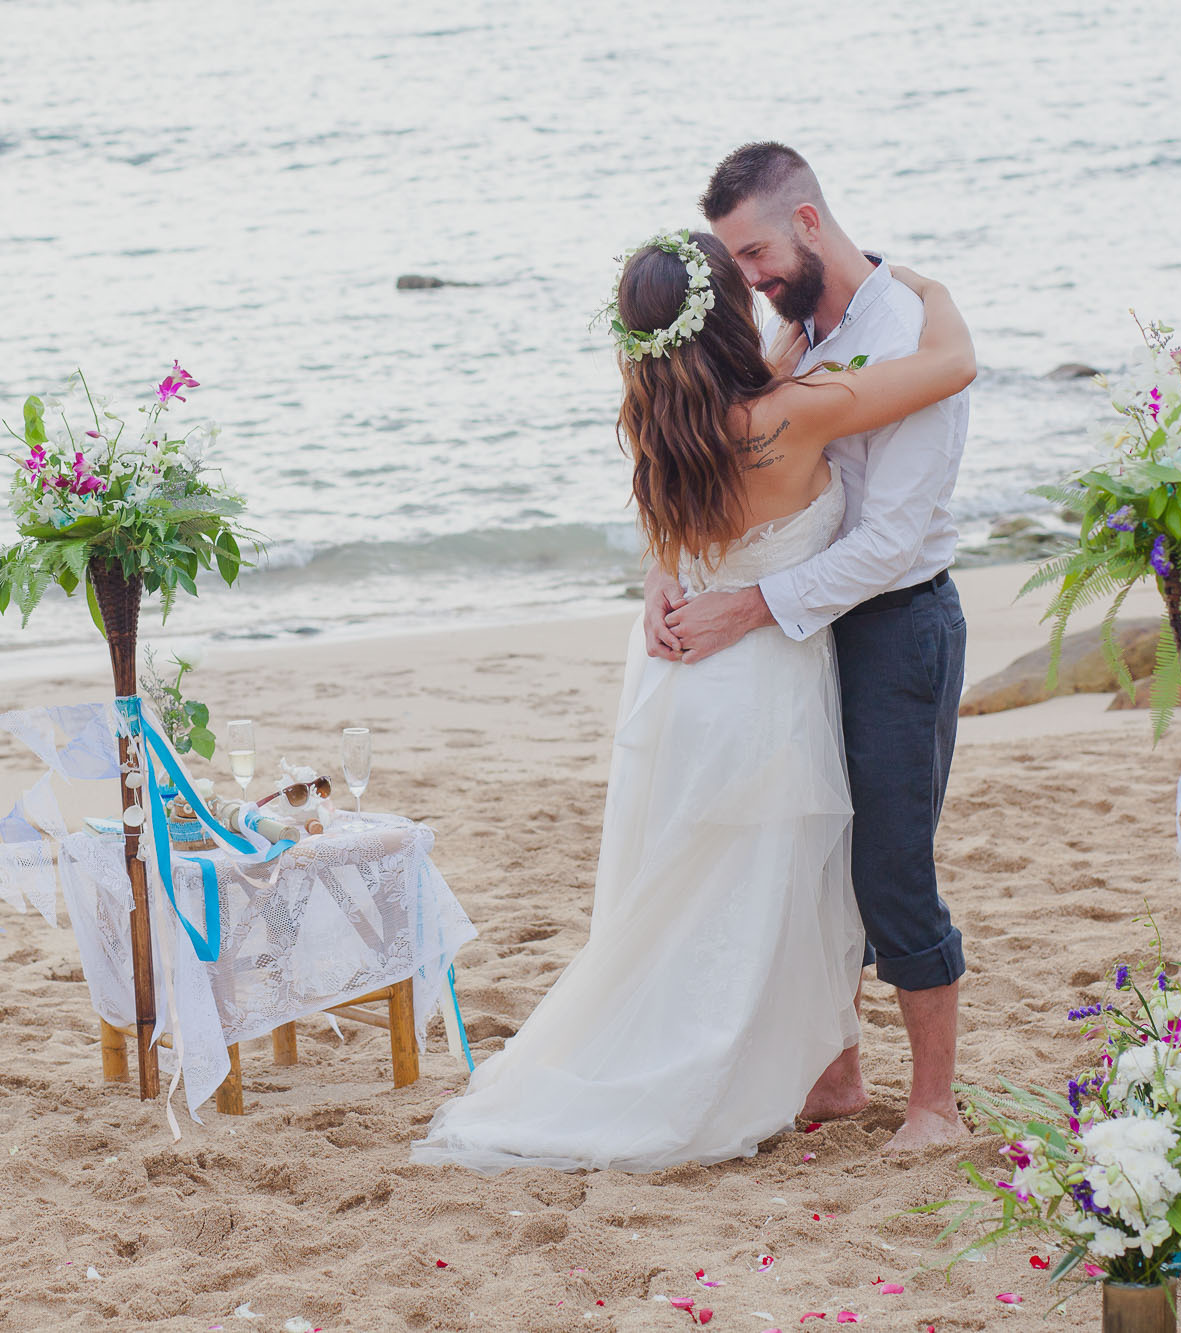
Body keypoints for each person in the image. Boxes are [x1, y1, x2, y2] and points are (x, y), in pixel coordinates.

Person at [409, 213, 975, 1172]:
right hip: (761, 679)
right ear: (727, 317)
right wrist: (922, 286)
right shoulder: (792, 412)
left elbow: (671, 534)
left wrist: (659, 579)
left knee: (689, 885)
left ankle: (827, 1072)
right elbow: (950, 365)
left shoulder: (656, 417)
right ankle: (757, 1069)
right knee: (771, 884)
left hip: (675, 681)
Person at [657, 142, 974, 1151]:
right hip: (797, 633)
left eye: (750, 253)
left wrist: (747, 605)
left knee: (888, 864)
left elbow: (887, 540)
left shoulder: (906, 329)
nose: (743, 280)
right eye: (730, 261)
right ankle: (835, 1076)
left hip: (895, 624)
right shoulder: (792, 330)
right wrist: (676, 566)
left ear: (804, 222)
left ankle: (932, 1104)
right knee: (810, 850)